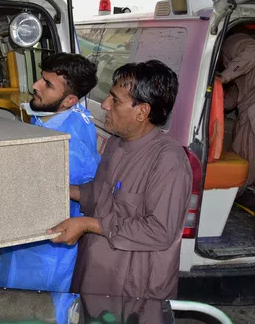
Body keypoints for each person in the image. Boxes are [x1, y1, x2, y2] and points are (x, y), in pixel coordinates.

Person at [48, 60, 192, 299]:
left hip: (132, 290)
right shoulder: (117, 142)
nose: (104, 105)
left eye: (114, 100)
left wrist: (88, 224)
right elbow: (100, 194)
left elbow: (160, 230)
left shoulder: (168, 160)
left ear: (142, 111)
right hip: (94, 272)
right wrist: (64, 190)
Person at [0, 53, 101, 293]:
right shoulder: (50, 117)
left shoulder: (70, 147)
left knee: (38, 310)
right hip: (26, 244)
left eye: (47, 84)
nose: (35, 86)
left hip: (47, 254)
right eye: (41, 78)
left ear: (69, 100)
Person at [217, 32, 255, 195]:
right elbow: (232, 100)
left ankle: (235, 193)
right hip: (247, 110)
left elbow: (252, 51)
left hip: (251, 109)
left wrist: (223, 78)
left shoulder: (232, 41)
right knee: (243, 153)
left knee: (243, 155)